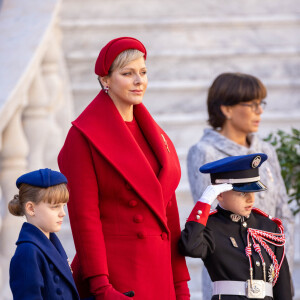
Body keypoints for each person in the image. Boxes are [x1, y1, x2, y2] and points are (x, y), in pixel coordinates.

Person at [58, 37, 190, 300]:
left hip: (161, 274)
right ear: (106, 80)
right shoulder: (83, 136)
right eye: (127, 73)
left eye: (143, 72)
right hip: (119, 277)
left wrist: (181, 285)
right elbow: (85, 219)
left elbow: (169, 218)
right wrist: (100, 286)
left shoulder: (157, 136)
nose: (139, 81)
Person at [187, 72, 294, 298]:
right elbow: (210, 217)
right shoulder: (204, 151)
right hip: (229, 281)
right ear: (226, 109)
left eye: (261, 103)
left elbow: (283, 212)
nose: (260, 111)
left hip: (267, 277)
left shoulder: (266, 151)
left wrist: (279, 273)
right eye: (252, 104)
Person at [179, 153, 292, 300]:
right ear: (219, 195)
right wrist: (204, 202)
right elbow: (189, 247)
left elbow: (282, 285)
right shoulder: (210, 227)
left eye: (253, 191)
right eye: (242, 193)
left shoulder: (269, 226)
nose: (250, 199)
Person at [8, 168, 80, 300]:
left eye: (63, 206)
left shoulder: (51, 243)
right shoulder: (27, 253)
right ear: (31, 208)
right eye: (55, 206)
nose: (62, 213)